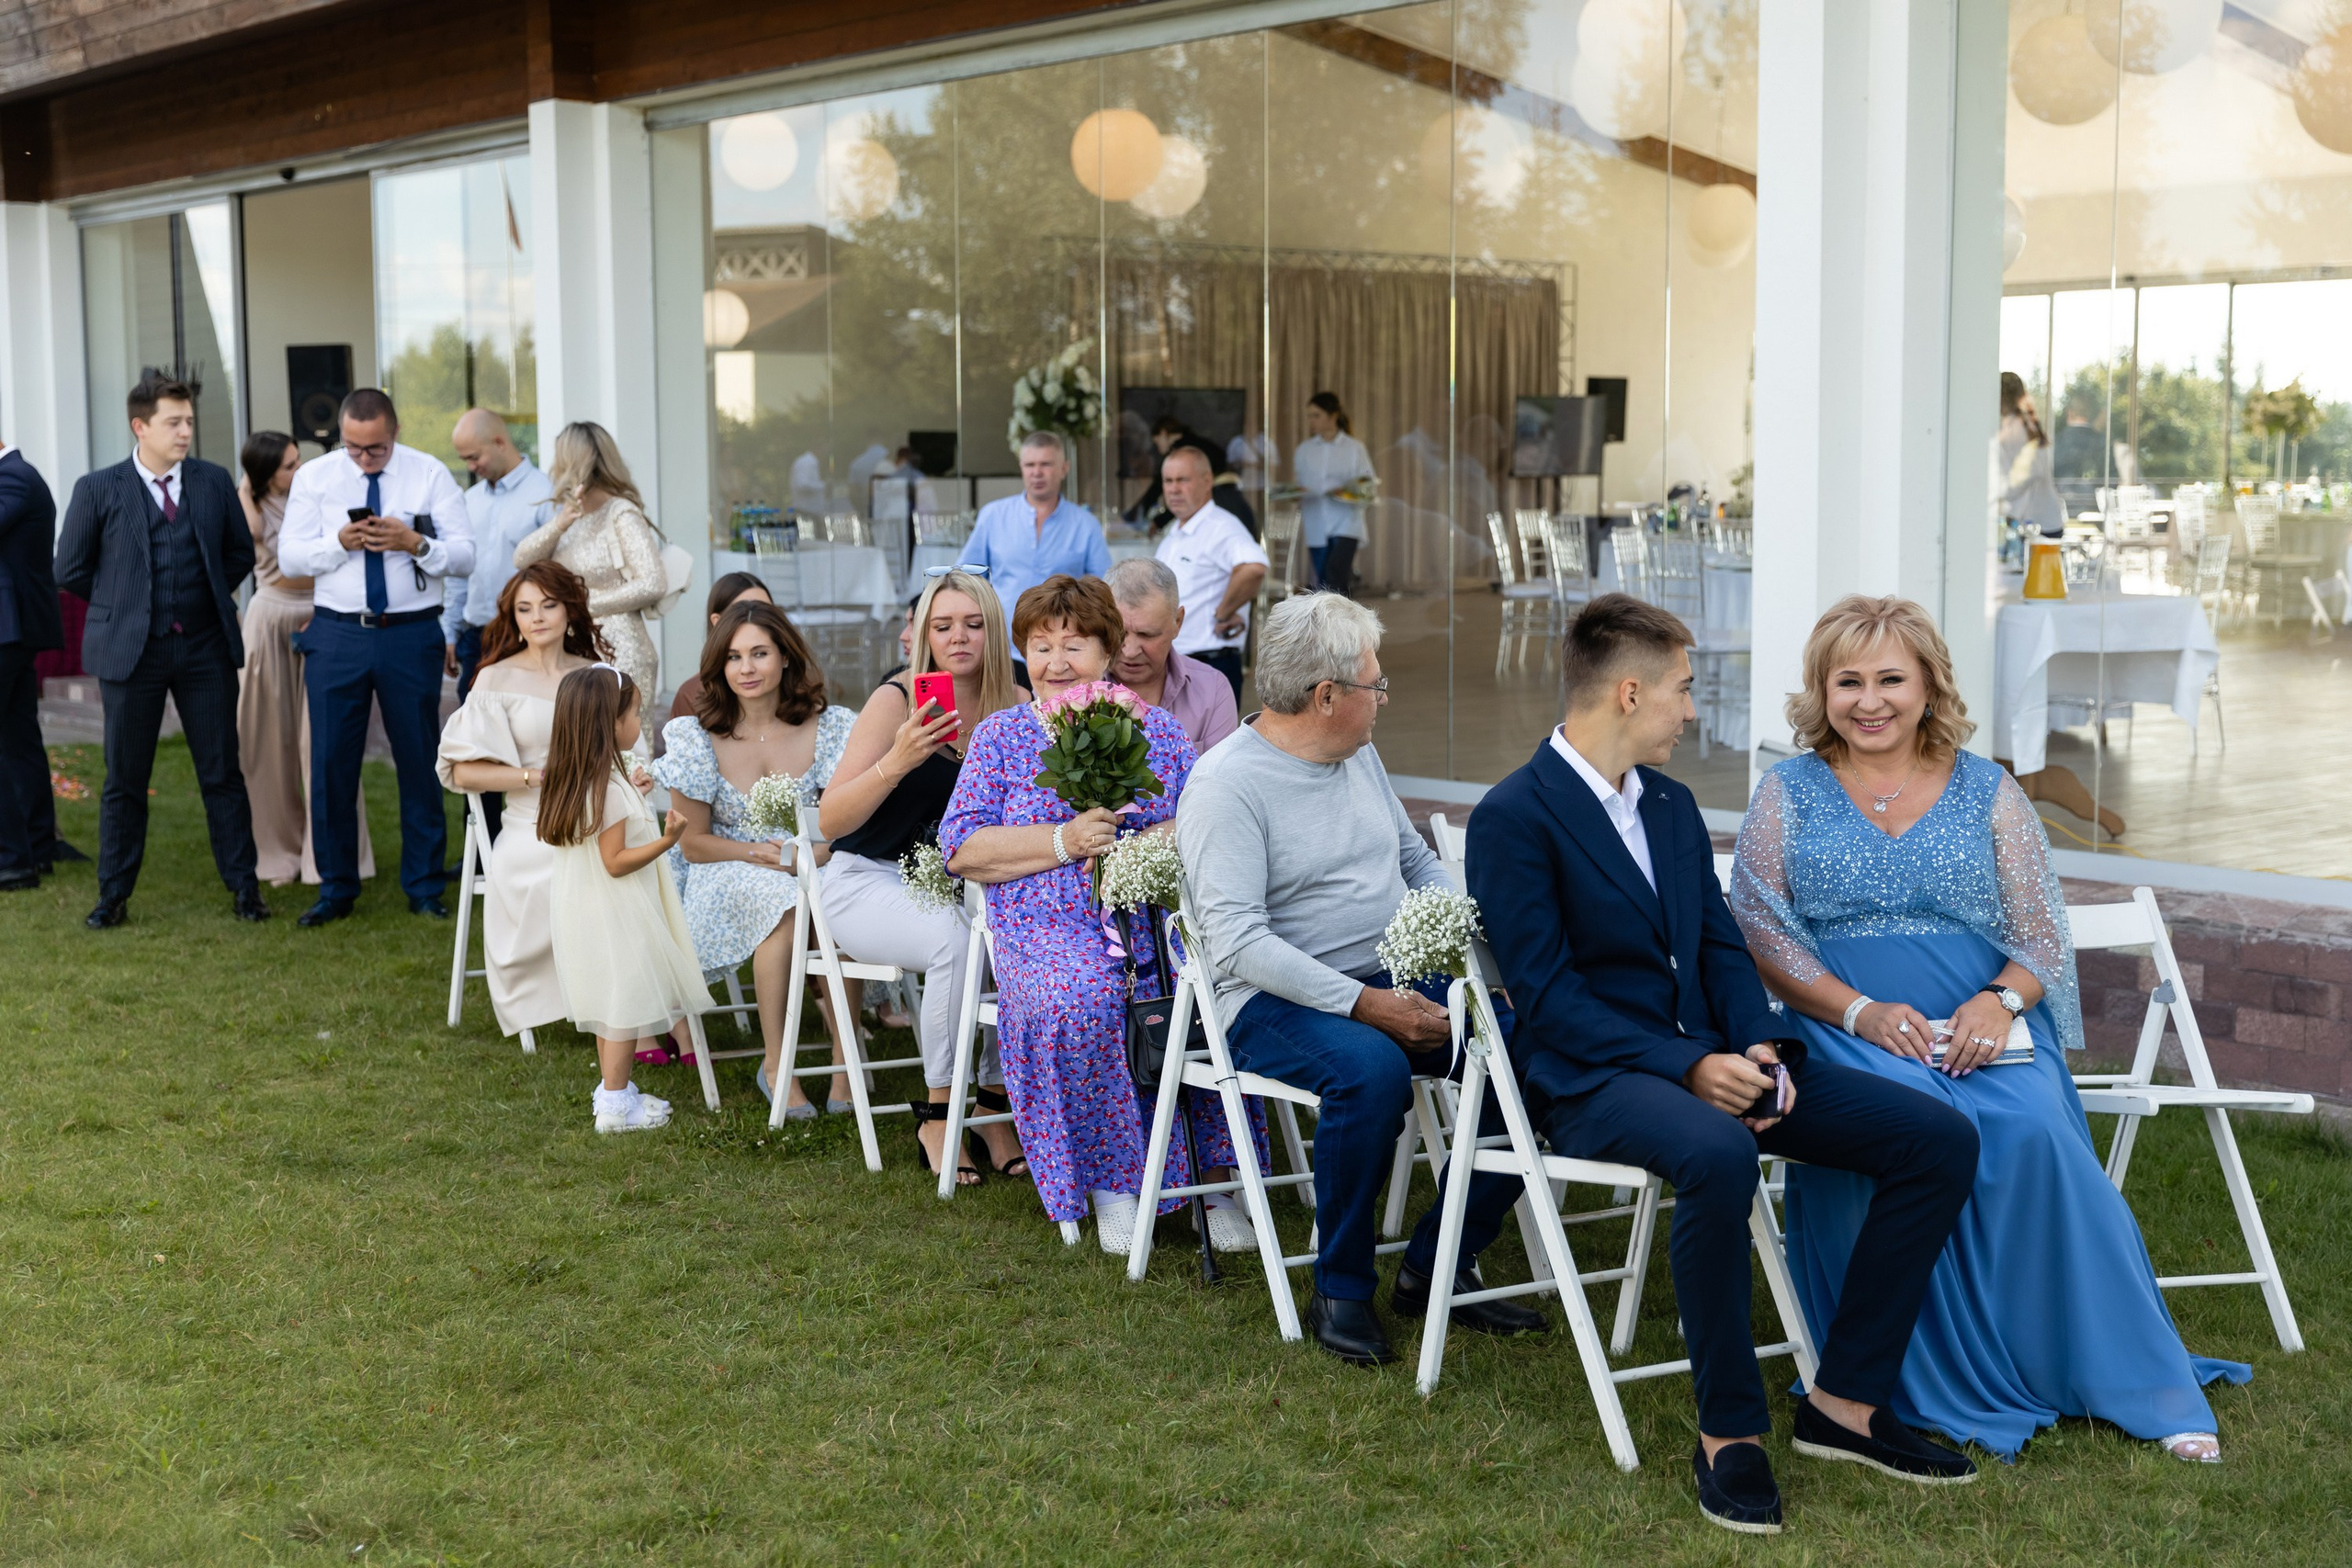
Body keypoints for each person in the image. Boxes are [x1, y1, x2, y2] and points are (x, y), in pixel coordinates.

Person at [1465, 593, 1983, 1535]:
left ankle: (1846, 1404)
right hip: (1591, 1080)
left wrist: (1752, 1043)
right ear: (1629, 692)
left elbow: (1716, 945)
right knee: (1716, 1152)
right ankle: (1729, 1433)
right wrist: (1686, 1066)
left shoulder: (1665, 803)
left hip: (1715, 1060)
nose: (1691, 710)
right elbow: (1547, 999)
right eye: (1682, 688)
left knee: (1937, 1136)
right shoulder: (1513, 816)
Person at [1730, 594, 2249, 1468]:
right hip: (1849, 1024)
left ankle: (2132, 1377)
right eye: (1847, 680)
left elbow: (2041, 932)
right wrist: (1857, 1009)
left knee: (2035, 1132)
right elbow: (1761, 929)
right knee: (1895, 1124)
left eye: (1891, 677)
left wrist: (2000, 1001)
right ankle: (1896, 1374)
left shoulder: (1989, 787)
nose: (1869, 700)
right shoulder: (1785, 790)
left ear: (1929, 685)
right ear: (1821, 692)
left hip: (1985, 1028)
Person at [1179, 592, 1542, 1366]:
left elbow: (1413, 861)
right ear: (1327, 697)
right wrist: (1368, 1005)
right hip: (1270, 1000)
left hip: (1391, 972)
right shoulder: (1225, 786)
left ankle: (1434, 1262)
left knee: (1541, 1047)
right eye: (1375, 685)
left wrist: (1458, 941)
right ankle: (1341, 1286)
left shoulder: (1357, 753)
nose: (1383, 698)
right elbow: (1238, 942)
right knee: (1370, 1070)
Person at [941, 574, 1255, 1254]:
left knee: (1212, 994)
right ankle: (1113, 1183)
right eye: (1041, 645)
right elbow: (962, 847)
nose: (1056, 662)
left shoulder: (1157, 732)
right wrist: (1065, 841)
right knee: (1082, 996)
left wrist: (1138, 845)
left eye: (1074, 644)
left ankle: (1213, 1182)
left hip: (1151, 918)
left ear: (1107, 651)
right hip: (1043, 927)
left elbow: (1205, 822)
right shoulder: (1000, 737)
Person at [818, 569, 1029, 1183]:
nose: (958, 637)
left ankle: (992, 1106)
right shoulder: (899, 699)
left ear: (993, 631)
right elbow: (830, 819)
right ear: (924, 635)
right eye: (943, 625)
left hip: (971, 881)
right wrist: (897, 759)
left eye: (973, 624)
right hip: (867, 877)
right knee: (955, 938)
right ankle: (938, 1111)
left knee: (1011, 932)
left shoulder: (1016, 705)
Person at [54, 374, 267, 929]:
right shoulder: (98, 488)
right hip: (132, 655)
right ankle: (113, 897)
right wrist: (124, 604)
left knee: (221, 773)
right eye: (174, 422)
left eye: (189, 421)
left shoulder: (213, 481)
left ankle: (246, 890)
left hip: (204, 650)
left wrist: (203, 600)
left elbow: (238, 554)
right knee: (124, 779)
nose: (185, 431)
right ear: (140, 426)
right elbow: (70, 568)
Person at [651, 600, 858, 1113]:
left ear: (785, 657)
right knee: (786, 908)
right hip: (724, 867)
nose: (746, 668)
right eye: (735, 657)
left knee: (843, 906)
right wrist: (763, 854)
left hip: (819, 859)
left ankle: (846, 1063)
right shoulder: (697, 736)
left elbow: (853, 822)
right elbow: (691, 842)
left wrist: (813, 854)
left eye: (760, 653)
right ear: (719, 666)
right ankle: (776, 1065)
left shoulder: (831, 728)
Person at [277, 387, 475, 926]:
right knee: (331, 763)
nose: (364, 458)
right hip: (338, 632)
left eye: (376, 449)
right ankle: (336, 887)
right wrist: (338, 543)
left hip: (410, 634)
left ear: (395, 433)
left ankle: (425, 885)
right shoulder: (316, 478)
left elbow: (464, 556)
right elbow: (289, 556)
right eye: (353, 447)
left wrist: (415, 543)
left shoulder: (429, 473)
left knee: (418, 759)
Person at [436, 562, 609, 1042]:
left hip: (597, 816)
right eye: (524, 608)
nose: (537, 618)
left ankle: (636, 1012)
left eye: (548, 605)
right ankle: (621, 1014)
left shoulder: (595, 675)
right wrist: (534, 776)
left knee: (633, 862)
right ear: (513, 618)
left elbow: (618, 750)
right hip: (530, 825)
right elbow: (462, 771)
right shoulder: (495, 679)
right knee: (587, 870)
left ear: (569, 611)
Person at [539, 662, 707, 1134]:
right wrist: (667, 840)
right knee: (623, 1011)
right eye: (635, 713)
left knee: (610, 1005)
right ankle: (615, 1105)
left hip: (588, 910)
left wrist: (633, 794)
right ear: (611, 724)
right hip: (618, 911)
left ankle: (615, 1090)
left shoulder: (586, 780)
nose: (640, 721)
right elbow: (615, 860)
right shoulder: (606, 787)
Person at [233, 430, 375, 888]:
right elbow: (253, 534)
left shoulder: (316, 497)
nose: (300, 471)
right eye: (288, 466)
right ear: (263, 472)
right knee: (265, 744)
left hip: (321, 615)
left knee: (327, 740)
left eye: (299, 461)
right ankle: (276, 853)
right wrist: (246, 487)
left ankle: (330, 857)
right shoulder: (250, 504)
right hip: (269, 618)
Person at [443, 409, 554, 839]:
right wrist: (450, 630)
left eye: (473, 457)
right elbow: (458, 575)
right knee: (477, 746)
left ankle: (530, 841)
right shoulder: (468, 502)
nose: (470, 467)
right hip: (474, 638)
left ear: (500, 443)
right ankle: (481, 849)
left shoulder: (544, 495)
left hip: (526, 638)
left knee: (527, 742)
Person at [513, 422, 667, 699]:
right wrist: (559, 523)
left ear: (569, 461)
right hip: (577, 652)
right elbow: (522, 560)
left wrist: (582, 606)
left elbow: (653, 583)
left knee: (622, 742)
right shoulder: (570, 517)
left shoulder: (621, 513)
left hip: (621, 653)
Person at [957, 432, 1110, 678]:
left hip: (1062, 657)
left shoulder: (1085, 524)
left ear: (1064, 468)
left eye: (1045, 464)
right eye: (1030, 465)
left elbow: (1103, 588)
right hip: (1001, 650)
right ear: (1021, 468)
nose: (1036, 472)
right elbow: (966, 579)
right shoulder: (993, 516)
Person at [0, 434, 66, 890]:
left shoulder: (14, 478)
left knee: (15, 741)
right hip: (12, 631)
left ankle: (13, 859)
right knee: (19, 738)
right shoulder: (16, 476)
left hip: (9, 631)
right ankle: (37, 848)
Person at [1153, 446, 1266, 700]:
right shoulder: (1175, 531)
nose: (1173, 489)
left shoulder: (1220, 526)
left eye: (1182, 480)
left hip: (1209, 664)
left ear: (1207, 481)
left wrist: (1223, 612)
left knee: (1210, 742)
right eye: (1168, 481)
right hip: (1175, 662)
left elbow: (1254, 567)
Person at [1106, 558, 1238, 754]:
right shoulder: (1071, 687)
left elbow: (1219, 783)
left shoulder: (1212, 691)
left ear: (1178, 621)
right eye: (1119, 634)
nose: (1130, 651)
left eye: (1147, 635)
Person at [660, 570, 773, 750]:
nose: (755, 619)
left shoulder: (800, 690)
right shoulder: (692, 695)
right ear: (717, 621)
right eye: (742, 611)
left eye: (767, 612)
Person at [1295, 391, 1375, 595]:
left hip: (1346, 521)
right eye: (1309, 416)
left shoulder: (1355, 448)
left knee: (1336, 575)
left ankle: (1343, 625)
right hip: (1316, 520)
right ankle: (1328, 625)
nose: (1311, 421)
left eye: (1316, 415)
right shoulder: (1304, 450)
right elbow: (1300, 484)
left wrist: (1348, 490)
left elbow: (1367, 480)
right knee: (1322, 579)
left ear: (1332, 416)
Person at [1997, 372, 2063, 539]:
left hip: (2037, 524)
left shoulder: (2016, 429)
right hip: (2047, 519)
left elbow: (2031, 471)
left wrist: (2001, 491)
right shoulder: (2026, 424)